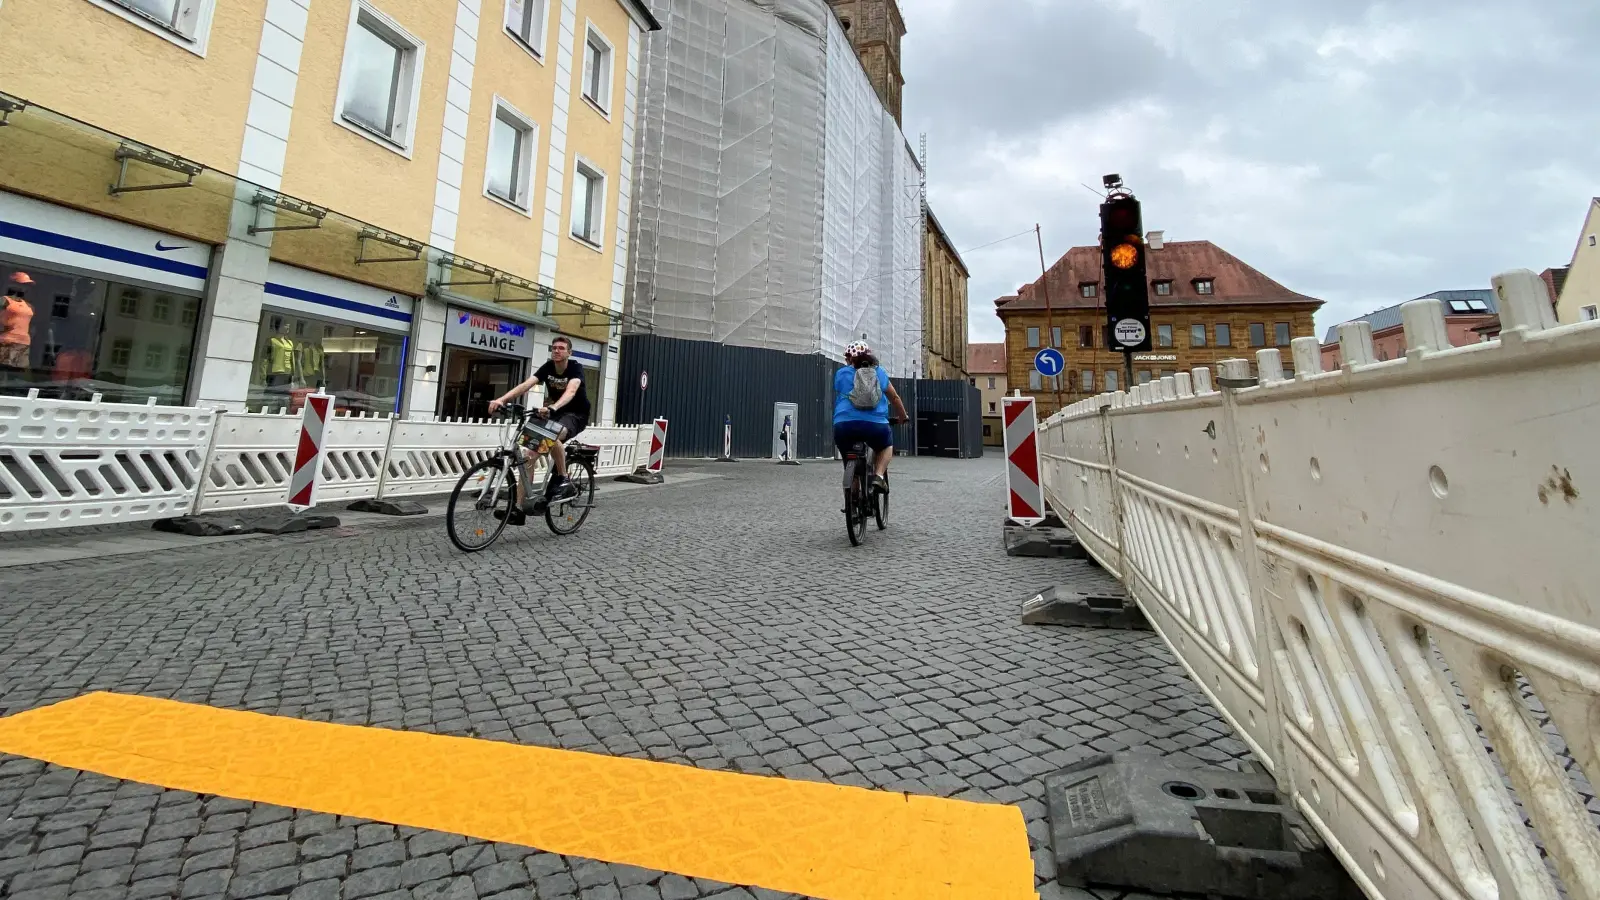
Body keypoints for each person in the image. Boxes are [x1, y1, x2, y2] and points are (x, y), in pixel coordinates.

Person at [488, 335, 589, 519]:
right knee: (528, 457)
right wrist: (501, 399)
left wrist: (553, 407)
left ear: (569, 352)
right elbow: (526, 385)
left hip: (576, 415)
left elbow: (571, 390)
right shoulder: (548, 367)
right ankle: (518, 510)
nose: (556, 351)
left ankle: (563, 478)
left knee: (553, 435)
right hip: (554, 413)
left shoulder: (575, 368)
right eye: (554, 348)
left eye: (561, 348)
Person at [832, 340, 908, 494]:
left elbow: (840, 391)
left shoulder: (841, 374)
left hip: (844, 425)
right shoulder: (879, 372)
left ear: (849, 359)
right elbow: (894, 398)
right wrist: (903, 416)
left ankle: (852, 494)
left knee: (848, 455)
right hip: (875, 425)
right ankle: (879, 476)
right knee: (886, 446)